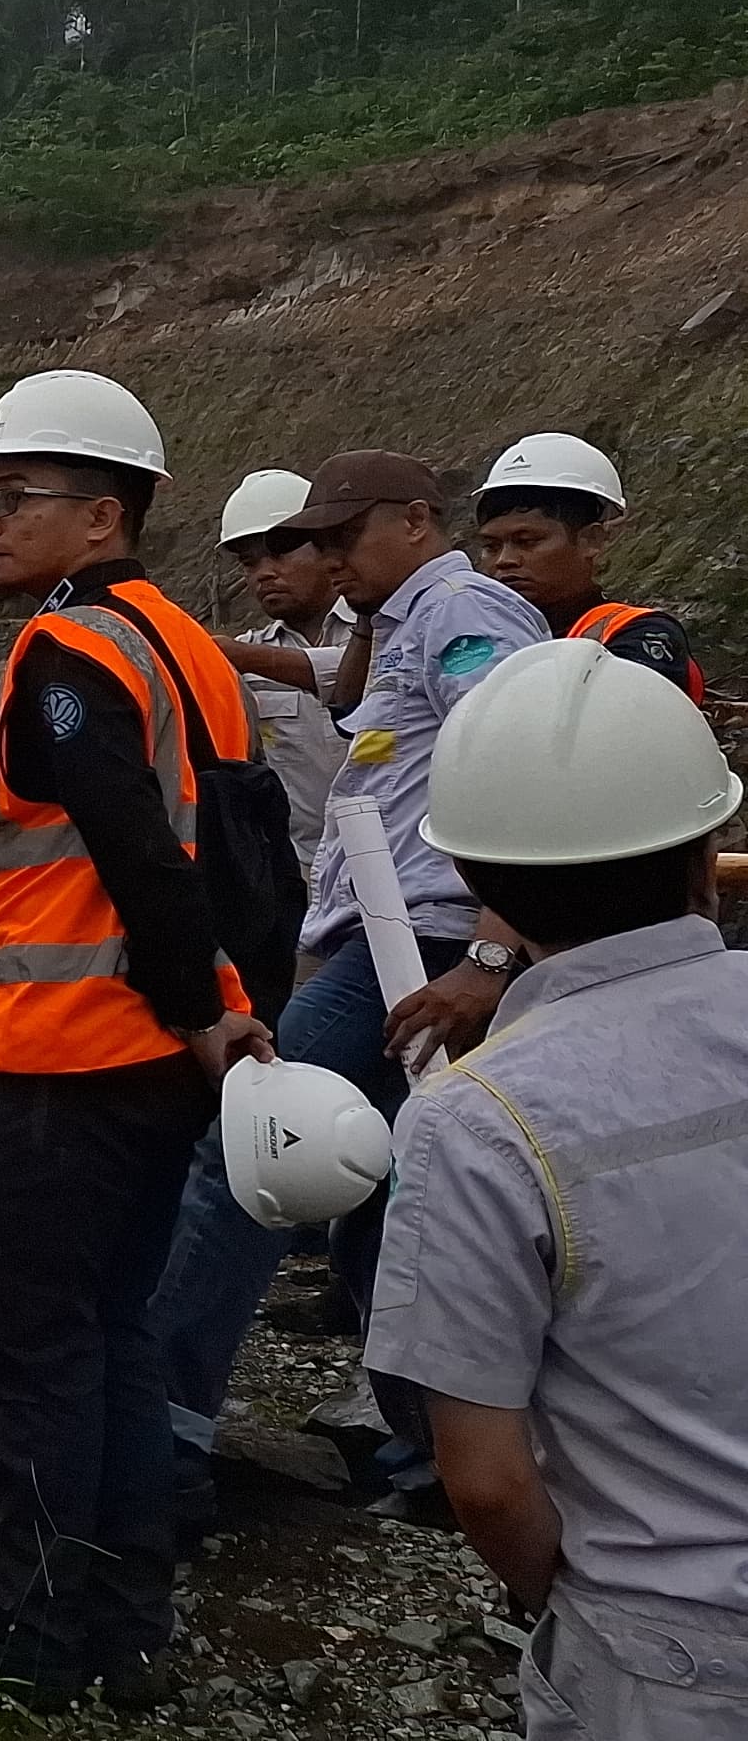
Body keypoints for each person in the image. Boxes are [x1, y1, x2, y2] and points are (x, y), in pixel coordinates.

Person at [0, 369, 274, 1710]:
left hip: (75, 1055)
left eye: (12, 501)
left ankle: (31, 1632)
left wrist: (197, 1008)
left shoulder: (72, 654)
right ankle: (123, 1620)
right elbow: (233, 847)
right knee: (111, 1331)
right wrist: (222, 1016)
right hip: (161, 1060)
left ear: (100, 516)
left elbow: (139, 854)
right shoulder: (183, 644)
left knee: (33, 1346)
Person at [146, 448, 545, 1515]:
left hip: (419, 940)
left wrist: (492, 953)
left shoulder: (464, 606)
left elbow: (516, 763)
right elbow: (357, 690)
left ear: (417, 520)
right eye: (311, 540)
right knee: (379, 1198)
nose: (322, 558)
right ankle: (431, 1459)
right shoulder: (408, 617)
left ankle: (161, 1434)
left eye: (339, 538)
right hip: (384, 930)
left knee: (257, 1144)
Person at [369, 637, 748, 1738]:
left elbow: (485, 1481)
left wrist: (564, 1607)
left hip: (666, 1652)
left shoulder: (475, 1122)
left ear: (480, 886)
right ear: (707, 848)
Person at [474, 432, 706, 701]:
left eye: (527, 541)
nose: (504, 560)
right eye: (491, 546)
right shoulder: (475, 635)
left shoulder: (638, 633)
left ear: (591, 540)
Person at [210, 467, 360, 871]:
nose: (263, 574)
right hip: (306, 874)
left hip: (404, 862)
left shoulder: (381, 631)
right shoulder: (241, 659)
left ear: (327, 549)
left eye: (279, 554)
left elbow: (358, 670)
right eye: (249, 563)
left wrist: (246, 659)